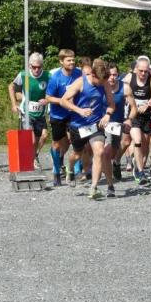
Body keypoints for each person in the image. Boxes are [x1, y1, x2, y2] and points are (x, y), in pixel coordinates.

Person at [60, 59, 117, 200]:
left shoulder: (104, 83)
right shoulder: (80, 82)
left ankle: (94, 187)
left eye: (103, 81)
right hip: (78, 126)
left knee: (99, 151)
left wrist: (107, 115)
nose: (101, 84)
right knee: (77, 155)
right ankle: (70, 167)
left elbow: (111, 104)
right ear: (92, 75)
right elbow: (63, 100)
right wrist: (79, 110)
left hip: (95, 124)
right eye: (99, 81)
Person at [9, 53, 52, 177]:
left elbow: (54, 91)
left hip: (40, 112)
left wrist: (47, 100)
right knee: (31, 139)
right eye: (34, 67)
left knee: (43, 136)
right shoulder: (23, 75)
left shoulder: (48, 76)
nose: (36, 70)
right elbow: (11, 87)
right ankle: (29, 160)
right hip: (26, 112)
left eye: (39, 67)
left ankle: (34, 156)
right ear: (29, 66)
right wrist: (14, 104)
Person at [45, 49, 82, 186]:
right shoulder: (55, 78)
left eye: (73, 59)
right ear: (61, 62)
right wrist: (62, 101)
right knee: (57, 144)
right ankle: (56, 171)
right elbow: (48, 97)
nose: (72, 62)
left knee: (75, 141)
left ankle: (75, 170)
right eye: (68, 60)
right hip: (58, 115)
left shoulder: (78, 73)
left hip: (73, 114)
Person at [127, 58, 151, 185]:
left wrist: (148, 104)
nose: (143, 73)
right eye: (141, 71)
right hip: (133, 115)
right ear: (136, 69)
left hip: (146, 116)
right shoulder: (130, 78)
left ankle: (139, 166)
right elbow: (120, 89)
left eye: (146, 71)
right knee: (137, 141)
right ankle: (140, 172)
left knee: (145, 147)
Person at [104, 63, 135, 182]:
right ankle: (108, 177)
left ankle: (116, 162)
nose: (112, 77)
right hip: (103, 121)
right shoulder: (101, 86)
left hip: (118, 121)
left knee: (125, 142)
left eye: (115, 75)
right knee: (106, 149)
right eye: (109, 75)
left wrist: (129, 119)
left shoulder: (125, 87)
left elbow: (134, 107)